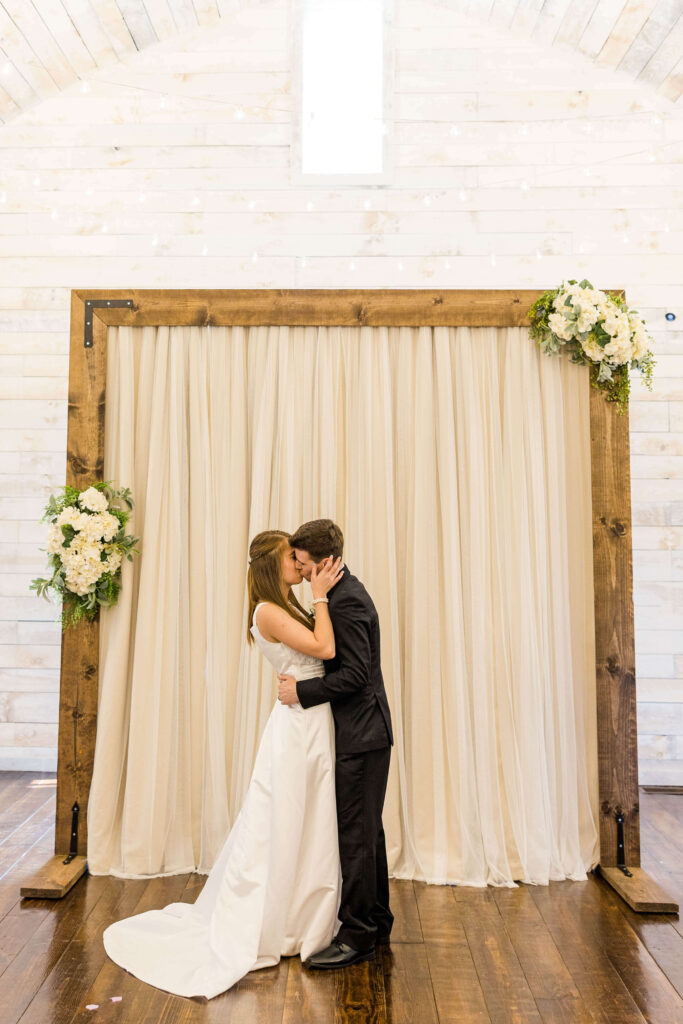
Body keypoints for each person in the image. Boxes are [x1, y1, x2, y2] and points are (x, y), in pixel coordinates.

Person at [102, 530, 344, 1000]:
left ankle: (300, 914)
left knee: (310, 820)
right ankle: (274, 920)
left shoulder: (285, 605)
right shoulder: (268, 610)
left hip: (312, 722)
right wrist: (320, 596)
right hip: (297, 731)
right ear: (273, 567)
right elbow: (324, 650)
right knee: (285, 819)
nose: (299, 562)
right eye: (290, 557)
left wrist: (313, 599)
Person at [278, 518, 394, 968]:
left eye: (305, 565)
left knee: (357, 838)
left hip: (362, 736)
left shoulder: (343, 602)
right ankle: (378, 921)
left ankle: (358, 935)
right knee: (369, 834)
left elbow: (355, 676)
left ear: (325, 561)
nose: (302, 572)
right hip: (366, 733)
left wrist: (300, 694)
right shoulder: (343, 594)